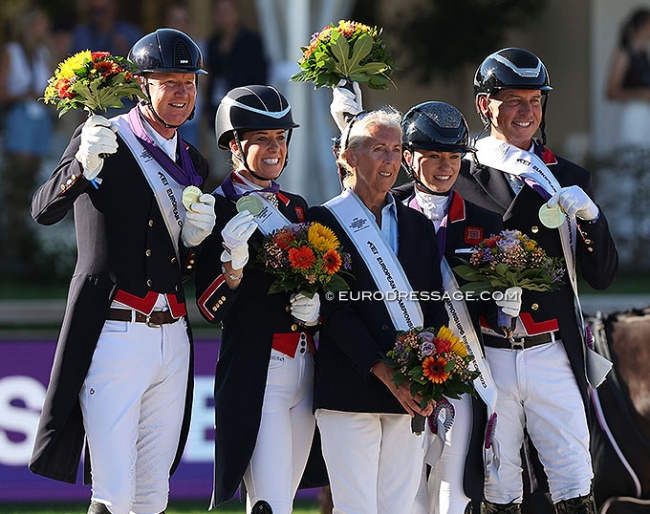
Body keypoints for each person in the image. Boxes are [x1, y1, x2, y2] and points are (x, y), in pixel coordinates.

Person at [29, 29, 214, 514]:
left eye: (188, 82)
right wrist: (81, 168)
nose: (181, 92)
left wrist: (196, 244)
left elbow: (178, 264)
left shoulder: (193, 161)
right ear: (142, 86)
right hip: (114, 330)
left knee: (154, 494)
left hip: (172, 335)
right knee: (114, 494)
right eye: (168, 81)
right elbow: (42, 209)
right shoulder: (104, 136)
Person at [452, 47, 618, 513]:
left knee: (573, 478)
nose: (527, 111)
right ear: (486, 105)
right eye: (513, 100)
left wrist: (593, 218)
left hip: (552, 351)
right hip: (489, 353)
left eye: (535, 100)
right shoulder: (461, 175)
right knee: (498, 486)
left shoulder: (565, 177)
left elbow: (603, 275)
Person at [330, 90, 508, 514]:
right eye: (433, 155)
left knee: (450, 485)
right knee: (400, 491)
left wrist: (504, 306)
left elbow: (467, 304)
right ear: (412, 158)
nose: (446, 166)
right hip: (387, 370)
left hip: (452, 365)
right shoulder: (388, 205)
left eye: (454, 156)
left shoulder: (485, 219)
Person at [307, 106, 448, 514]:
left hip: (409, 395)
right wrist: (388, 373)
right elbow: (336, 314)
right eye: (377, 148)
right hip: (350, 390)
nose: (389, 160)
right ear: (349, 156)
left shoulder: (418, 225)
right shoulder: (324, 220)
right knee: (355, 507)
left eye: (395, 149)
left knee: (401, 508)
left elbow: (433, 307)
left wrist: (427, 372)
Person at [195, 85, 326, 514]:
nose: (275, 148)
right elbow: (209, 306)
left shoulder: (297, 207)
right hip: (260, 368)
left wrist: (318, 307)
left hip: (306, 366)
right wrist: (231, 268)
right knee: (269, 504)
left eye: (281, 138)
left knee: (285, 499)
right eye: (262, 138)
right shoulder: (216, 208)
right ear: (234, 145)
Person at [0, 6, 54, 274]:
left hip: (40, 119)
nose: (44, 30)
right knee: (18, 183)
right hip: (20, 116)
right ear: (30, 26)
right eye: (41, 24)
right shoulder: (12, 51)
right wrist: (26, 94)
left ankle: (32, 246)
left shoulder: (43, 53)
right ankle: (14, 248)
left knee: (35, 183)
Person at [204, 0, 268, 179]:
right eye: (220, 12)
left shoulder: (251, 41)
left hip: (244, 111)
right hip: (218, 109)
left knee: (245, 163)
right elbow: (211, 78)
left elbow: (259, 75)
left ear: (237, 13)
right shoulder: (213, 42)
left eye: (228, 12)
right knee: (220, 167)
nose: (225, 17)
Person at [605, 7, 650, 149]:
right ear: (641, 26)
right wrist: (639, 94)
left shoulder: (643, 54)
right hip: (632, 113)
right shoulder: (624, 54)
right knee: (632, 157)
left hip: (645, 113)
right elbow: (610, 91)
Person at [164, 2, 205, 149]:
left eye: (183, 21)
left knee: (190, 165)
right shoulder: (160, 50)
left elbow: (205, 83)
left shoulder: (198, 49)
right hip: (163, 119)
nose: (179, 26)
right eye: (175, 21)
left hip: (189, 119)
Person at [69, 0, 142, 57]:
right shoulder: (81, 33)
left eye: (103, 10)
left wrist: (126, 52)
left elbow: (140, 66)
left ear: (116, 7)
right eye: (95, 10)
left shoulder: (131, 33)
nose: (99, 16)